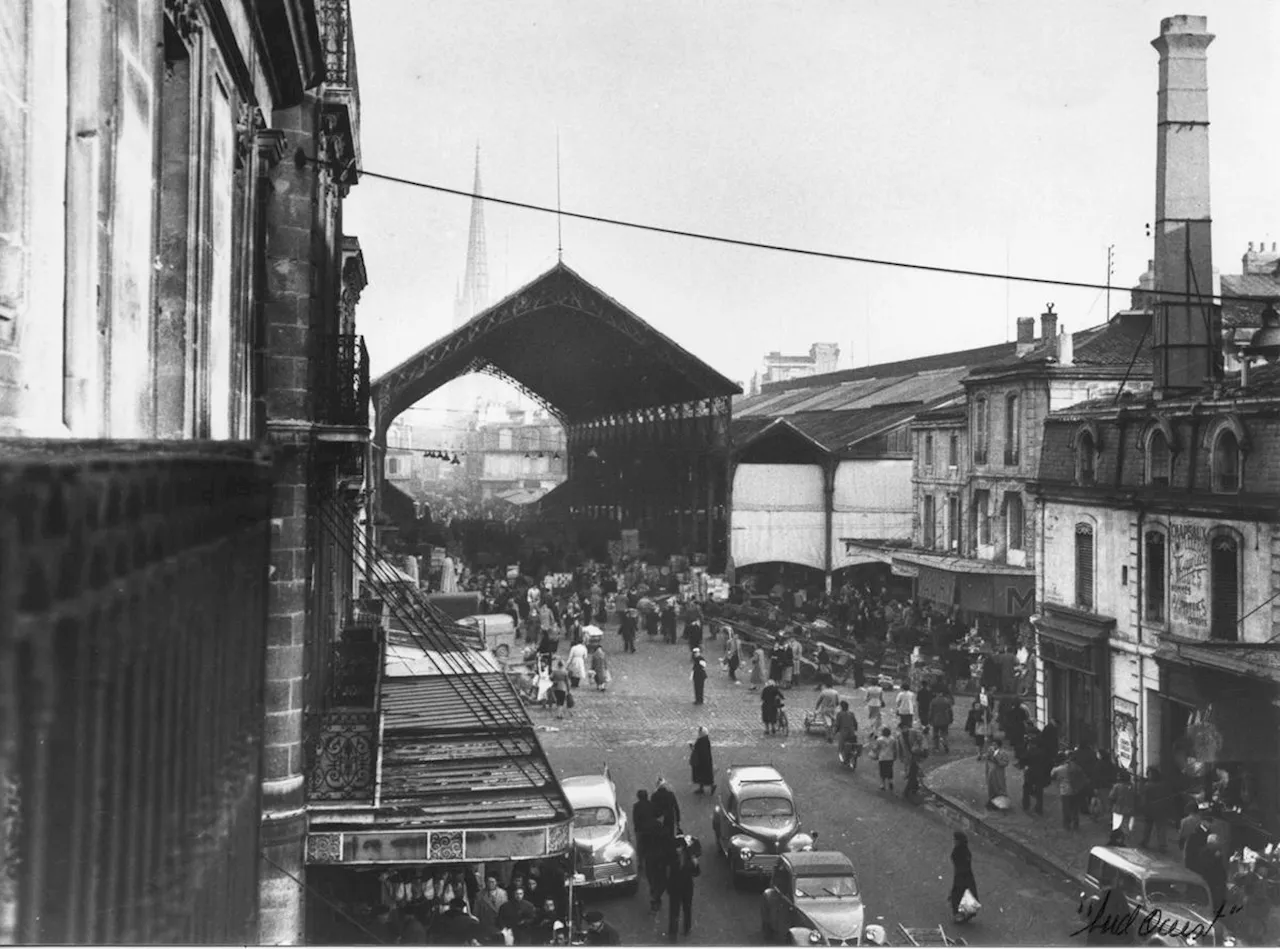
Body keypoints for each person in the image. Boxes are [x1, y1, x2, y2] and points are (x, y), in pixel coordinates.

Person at [666, 835, 701, 942]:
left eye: (680, 847)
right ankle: (673, 934)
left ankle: (687, 928)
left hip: (687, 888)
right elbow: (667, 874)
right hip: (675, 888)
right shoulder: (671, 858)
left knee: (687, 909)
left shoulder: (689, 857)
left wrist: (696, 864)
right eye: (676, 847)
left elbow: (696, 873)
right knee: (674, 911)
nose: (678, 849)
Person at [948, 831, 979, 921]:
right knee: (963, 893)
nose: (954, 841)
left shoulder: (961, 851)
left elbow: (962, 865)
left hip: (962, 875)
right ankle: (963, 913)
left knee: (960, 893)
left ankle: (962, 914)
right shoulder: (963, 850)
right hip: (963, 875)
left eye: (955, 839)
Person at [1139, 766, 1171, 852]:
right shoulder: (1163, 785)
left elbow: (1144, 798)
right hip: (1161, 809)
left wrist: (1143, 808)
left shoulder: (1147, 786)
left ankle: (1145, 842)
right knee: (1161, 828)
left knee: (1148, 827)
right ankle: (1162, 845)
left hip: (1150, 809)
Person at [1050, 754, 1084, 831]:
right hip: (1075, 790)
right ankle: (1076, 824)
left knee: (1066, 809)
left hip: (1065, 791)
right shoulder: (1075, 767)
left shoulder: (1059, 769)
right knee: (1075, 809)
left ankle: (1067, 824)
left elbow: (1052, 775)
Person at [1019, 737, 1050, 816]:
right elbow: (1048, 764)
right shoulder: (1044, 752)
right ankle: (1039, 808)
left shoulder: (1029, 752)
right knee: (1039, 791)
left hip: (1030, 772)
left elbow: (1022, 760)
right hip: (1040, 773)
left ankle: (1026, 805)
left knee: (1026, 789)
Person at [899, 722, 926, 798]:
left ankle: (906, 792)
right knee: (913, 773)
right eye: (902, 728)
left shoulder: (913, 732)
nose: (904, 729)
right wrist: (901, 757)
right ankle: (915, 787)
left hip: (916, 755)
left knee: (912, 773)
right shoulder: (900, 737)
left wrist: (918, 744)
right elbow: (900, 748)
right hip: (908, 757)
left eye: (905, 727)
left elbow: (921, 738)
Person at [982, 738, 1011, 810]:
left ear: (998, 745)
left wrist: (997, 759)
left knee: (999, 787)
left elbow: (1005, 763)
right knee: (991, 787)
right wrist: (987, 756)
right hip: (991, 773)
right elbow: (986, 758)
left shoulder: (1003, 753)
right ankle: (992, 802)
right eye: (992, 744)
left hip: (999, 773)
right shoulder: (990, 751)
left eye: (995, 744)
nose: (993, 746)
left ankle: (1000, 804)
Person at [1109, 771, 1136, 843]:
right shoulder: (1132, 787)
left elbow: (1111, 797)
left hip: (1118, 809)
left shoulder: (1117, 786)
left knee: (1116, 827)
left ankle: (1116, 841)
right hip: (1129, 810)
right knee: (1126, 827)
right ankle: (1125, 841)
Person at [689, 726, 715, 795]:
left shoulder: (700, 741)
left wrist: (692, 747)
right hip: (706, 761)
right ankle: (708, 787)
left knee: (700, 775)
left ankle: (702, 788)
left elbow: (697, 751)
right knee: (706, 776)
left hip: (700, 762)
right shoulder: (706, 740)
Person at [872, 726, 897, 792]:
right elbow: (895, 749)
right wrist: (895, 756)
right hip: (890, 757)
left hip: (882, 757)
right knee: (890, 770)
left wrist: (873, 749)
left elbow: (875, 748)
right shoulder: (893, 739)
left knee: (882, 771)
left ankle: (882, 784)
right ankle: (890, 782)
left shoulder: (879, 739)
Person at [929, 688, 954, 753]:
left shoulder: (933, 701)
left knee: (935, 734)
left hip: (936, 720)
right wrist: (951, 719)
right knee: (944, 734)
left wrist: (930, 719)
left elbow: (931, 711)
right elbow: (950, 711)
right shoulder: (947, 701)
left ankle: (936, 747)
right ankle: (945, 743)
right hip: (945, 720)